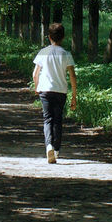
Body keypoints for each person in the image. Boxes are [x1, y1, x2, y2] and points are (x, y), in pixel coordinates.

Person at [31, 22, 78, 164]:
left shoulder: (43, 52)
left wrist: (37, 87)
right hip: (60, 91)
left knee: (47, 119)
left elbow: (35, 73)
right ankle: (56, 151)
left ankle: (48, 146)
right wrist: (74, 96)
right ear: (63, 37)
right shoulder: (66, 54)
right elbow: (72, 76)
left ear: (49, 37)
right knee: (58, 120)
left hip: (45, 90)